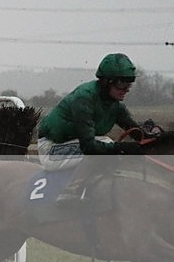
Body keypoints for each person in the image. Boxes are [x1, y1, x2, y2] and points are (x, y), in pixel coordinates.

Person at [35, 53, 154, 204]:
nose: (127, 89)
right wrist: (123, 148)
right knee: (105, 145)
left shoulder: (114, 105)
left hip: (73, 143)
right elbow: (89, 147)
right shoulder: (84, 99)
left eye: (129, 84)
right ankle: (70, 191)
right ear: (107, 82)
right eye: (122, 84)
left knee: (107, 145)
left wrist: (156, 139)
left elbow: (138, 134)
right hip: (52, 149)